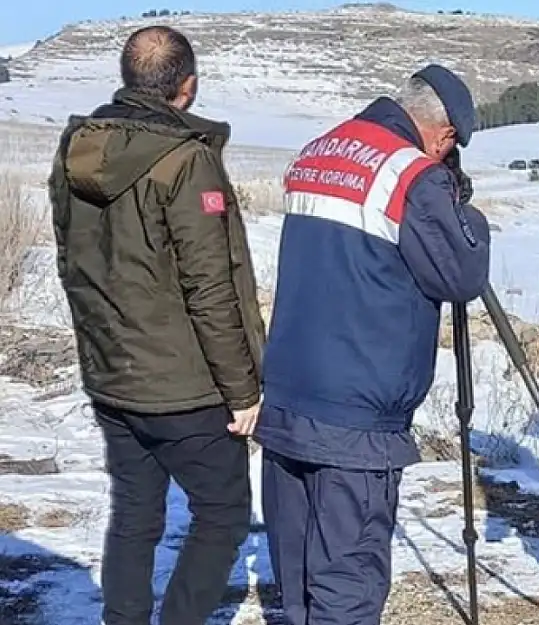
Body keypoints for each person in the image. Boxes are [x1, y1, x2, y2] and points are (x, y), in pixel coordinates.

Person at [255, 64, 491, 625]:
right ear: (444, 133)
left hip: (289, 394)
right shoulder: (414, 175)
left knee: (299, 581)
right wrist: (464, 209)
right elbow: (461, 276)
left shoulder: (320, 149)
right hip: (357, 415)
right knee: (348, 584)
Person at [47, 25, 265, 625]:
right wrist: (244, 389)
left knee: (137, 509)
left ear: (129, 80)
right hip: (181, 387)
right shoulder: (184, 160)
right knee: (222, 513)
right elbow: (211, 286)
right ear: (187, 87)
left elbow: (74, 261)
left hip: (111, 372)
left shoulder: (78, 150)